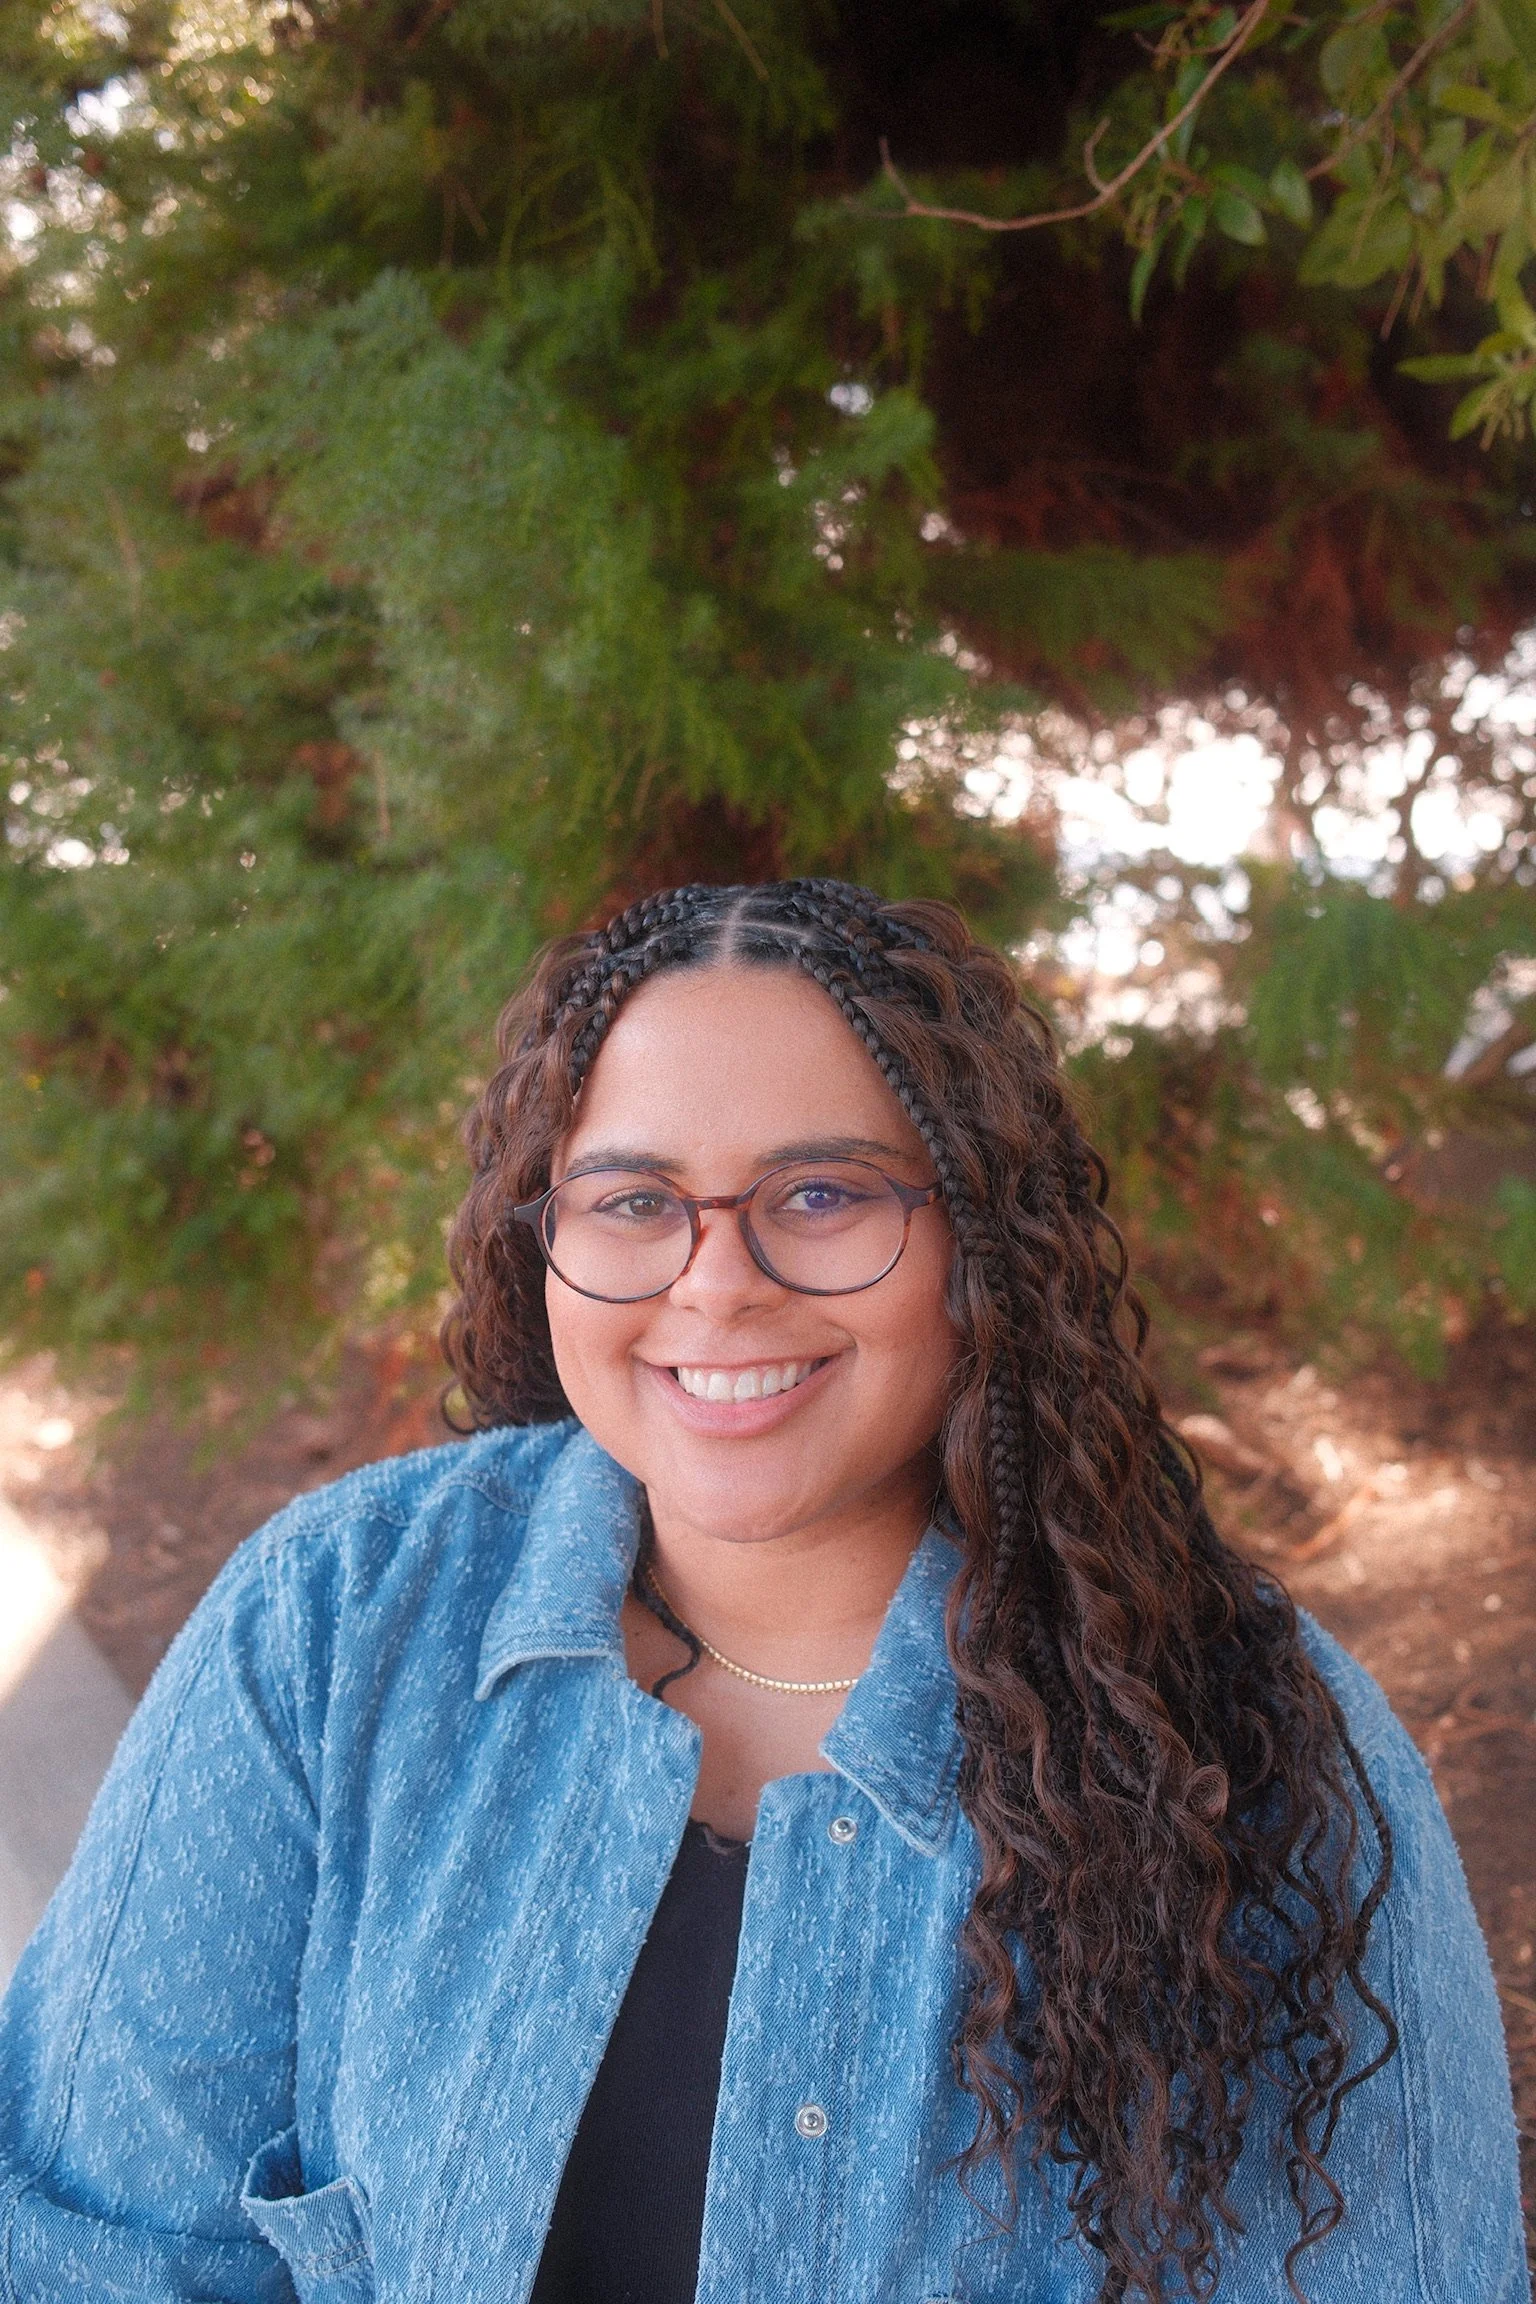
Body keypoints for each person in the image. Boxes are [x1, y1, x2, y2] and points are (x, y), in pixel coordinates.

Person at [0, 878, 1525, 2304]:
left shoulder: (1251, 1738)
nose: (713, 1282)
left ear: (983, 1242)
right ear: (547, 1242)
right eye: (631, 1202)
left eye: (819, 1195)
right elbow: (88, 2245)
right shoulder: (335, 1625)